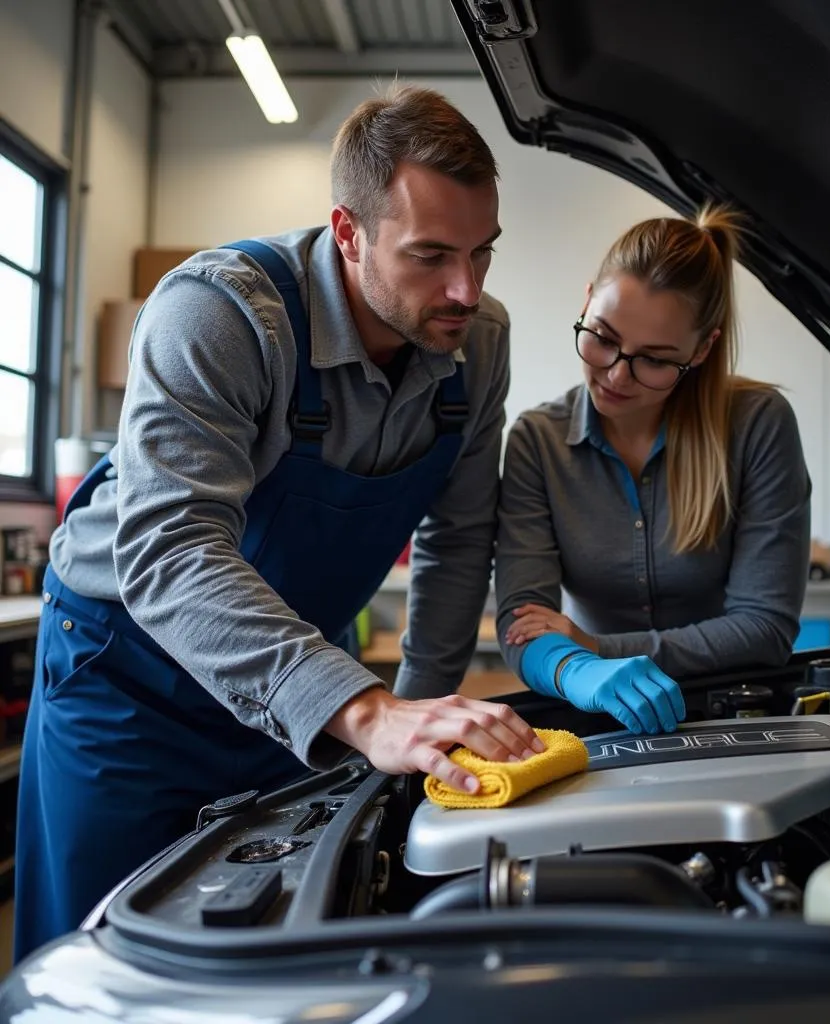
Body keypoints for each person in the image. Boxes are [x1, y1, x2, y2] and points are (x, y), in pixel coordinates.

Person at [15, 83, 546, 962]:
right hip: (130, 681)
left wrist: (413, 714)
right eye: (431, 256)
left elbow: (457, 541)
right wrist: (366, 714)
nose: (466, 288)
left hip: (296, 684)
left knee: (277, 940)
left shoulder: (474, 342)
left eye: (483, 253)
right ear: (348, 232)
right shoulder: (221, 314)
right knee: (104, 956)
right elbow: (171, 548)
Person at [495, 207, 811, 734]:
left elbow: (765, 627)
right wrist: (576, 670)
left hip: (734, 714)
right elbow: (523, 625)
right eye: (602, 336)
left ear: (703, 348)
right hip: (597, 716)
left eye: (656, 359)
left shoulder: (758, 424)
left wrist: (597, 648)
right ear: (587, 299)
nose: (617, 374)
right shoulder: (538, 441)